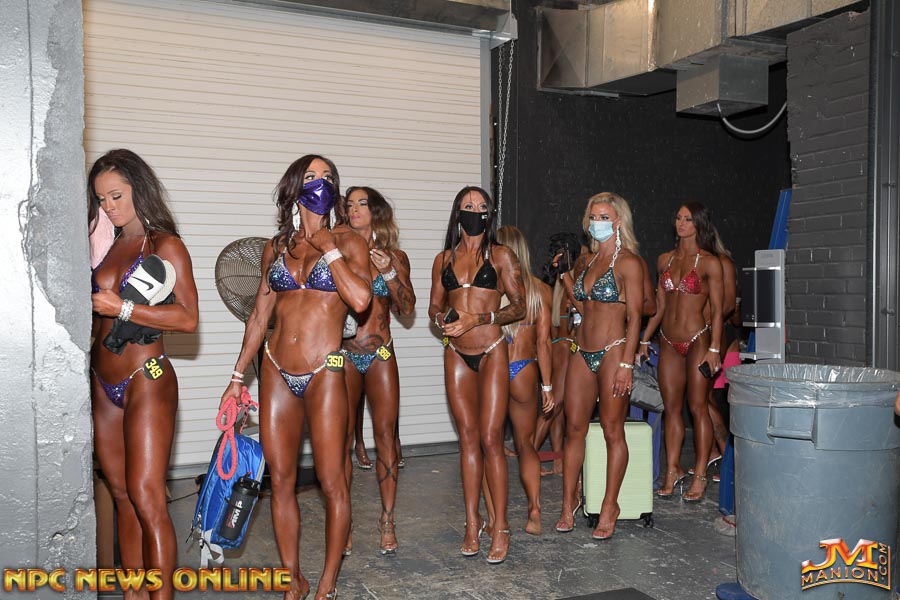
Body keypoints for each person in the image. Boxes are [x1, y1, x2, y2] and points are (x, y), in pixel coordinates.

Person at [221, 155, 371, 600]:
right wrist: (236, 377)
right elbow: (259, 316)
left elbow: (360, 299)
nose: (320, 183)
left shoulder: (349, 242)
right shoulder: (276, 248)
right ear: (294, 188)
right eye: (310, 177)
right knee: (281, 479)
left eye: (328, 177)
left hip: (326, 370)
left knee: (332, 480)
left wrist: (329, 248)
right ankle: (293, 581)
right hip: (275, 369)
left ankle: (327, 584)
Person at [89, 149, 199, 600]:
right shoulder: (106, 245)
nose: (110, 206)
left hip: (146, 377)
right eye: (101, 199)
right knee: (120, 494)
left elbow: (188, 318)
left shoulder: (164, 245)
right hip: (102, 382)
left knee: (147, 495)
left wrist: (123, 308)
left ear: (139, 189)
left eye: (116, 196)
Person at [428, 186, 525, 564]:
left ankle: (501, 526)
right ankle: (473, 523)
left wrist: (480, 318)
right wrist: (442, 319)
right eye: (468, 206)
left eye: (481, 206)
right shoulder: (443, 259)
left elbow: (519, 306)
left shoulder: (501, 256)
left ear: (490, 214)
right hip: (456, 353)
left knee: (490, 439)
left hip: (491, 350)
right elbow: (434, 305)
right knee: (467, 440)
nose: (475, 211)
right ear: (458, 212)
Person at [555, 192, 644, 540]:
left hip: (613, 351)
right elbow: (585, 306)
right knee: (573, 429)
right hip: (582, 349)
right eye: (593, 216)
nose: (597, 223)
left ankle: (610, 505)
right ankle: (568, 502)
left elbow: (635, 317)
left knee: (611, 430)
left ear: (618, 221)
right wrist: (566, 279)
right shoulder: (588, 261)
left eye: (604, 217)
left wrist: (626, 364)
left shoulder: (629, 263)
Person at [341, 186, 415, 555]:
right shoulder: (335, 254)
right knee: (340, 441)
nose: (354, 209)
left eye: (362, 203)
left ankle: (387, 519)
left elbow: (407, 307)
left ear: (376, 211)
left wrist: (388, 273)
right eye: (349, 204)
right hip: (342, 355)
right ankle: (343, 521)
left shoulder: (394, 256)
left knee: (386, 436)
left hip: (381, 353)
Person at [640, 202, 724, 503]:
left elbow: (718, 310)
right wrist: (644, 339)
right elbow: (660, 306)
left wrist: (715, 348)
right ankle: (673, 469)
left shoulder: (710, 263)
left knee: (698, 407)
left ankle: (700, 473)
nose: (681, 223)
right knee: (671, 408)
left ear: (699, 224)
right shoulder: (665, 260)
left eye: (688, 219)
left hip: (698, 340)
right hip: (667, 341)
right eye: (678, 218)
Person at [494, 225, 554, 535]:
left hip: (494, 368)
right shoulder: (541, 291)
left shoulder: (491, 288)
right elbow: (544, 343)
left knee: (490, 445)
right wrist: (548, 385)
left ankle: (496, 520)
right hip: (525, 368)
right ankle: (534, 510)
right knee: (526, 444)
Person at [534, 233, 581, 477]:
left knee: (559, 409)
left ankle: (557, 461)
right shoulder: (559, 282)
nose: (554, 259)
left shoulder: (570, 280)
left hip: (564, 347)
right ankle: (529, 454)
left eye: (558, 254)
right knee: (554, 405)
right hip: (561, 347)